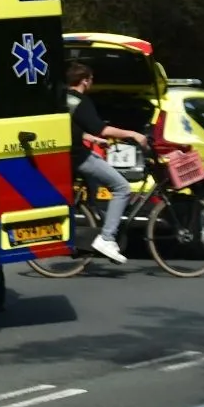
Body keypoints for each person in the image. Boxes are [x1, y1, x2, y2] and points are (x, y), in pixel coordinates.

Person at [67, 62, 146, 264]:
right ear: (85, 80)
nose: (92, 83)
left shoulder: (62, 99)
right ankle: (107, 237)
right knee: (122, 187)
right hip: (79, 157)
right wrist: (132, 134)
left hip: (69, 154)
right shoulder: (82, 102)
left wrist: (92, 139)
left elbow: (70, 128)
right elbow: (101, 129)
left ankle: (106, 228)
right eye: (91, 79)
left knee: (98, 188)